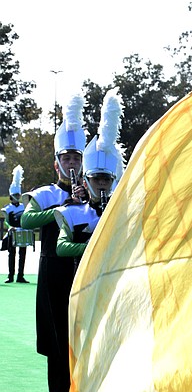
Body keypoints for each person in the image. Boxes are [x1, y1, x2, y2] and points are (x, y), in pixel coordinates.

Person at [21, 93, 88, 392]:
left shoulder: (89, 191)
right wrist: (62, 208)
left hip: (83, 267)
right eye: (66, 158)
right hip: (53, 269)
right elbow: (27, 220)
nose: (71, 164)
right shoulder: (46, 193)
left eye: (76, 158)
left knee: (83, 332)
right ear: (56, 163)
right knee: (56, 334)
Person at [54, 91, 125, 265]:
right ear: (85, 182)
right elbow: (61, 247)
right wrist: (89, 247)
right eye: (96, 179)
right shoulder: (73, 210)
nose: (101, 183)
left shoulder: (120, 212)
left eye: (106, 180)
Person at [3, 165, 29, 283]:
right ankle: (10, 276)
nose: (17, 197)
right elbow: (6, 221)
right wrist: (10, 227)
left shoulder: (24, 207)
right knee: (11, 254)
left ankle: (20, 276)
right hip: (12, 233)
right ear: (11, 196)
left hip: (22, 232)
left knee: (22, 254)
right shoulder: (8, 208)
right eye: (16, 196)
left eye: (19, 195)